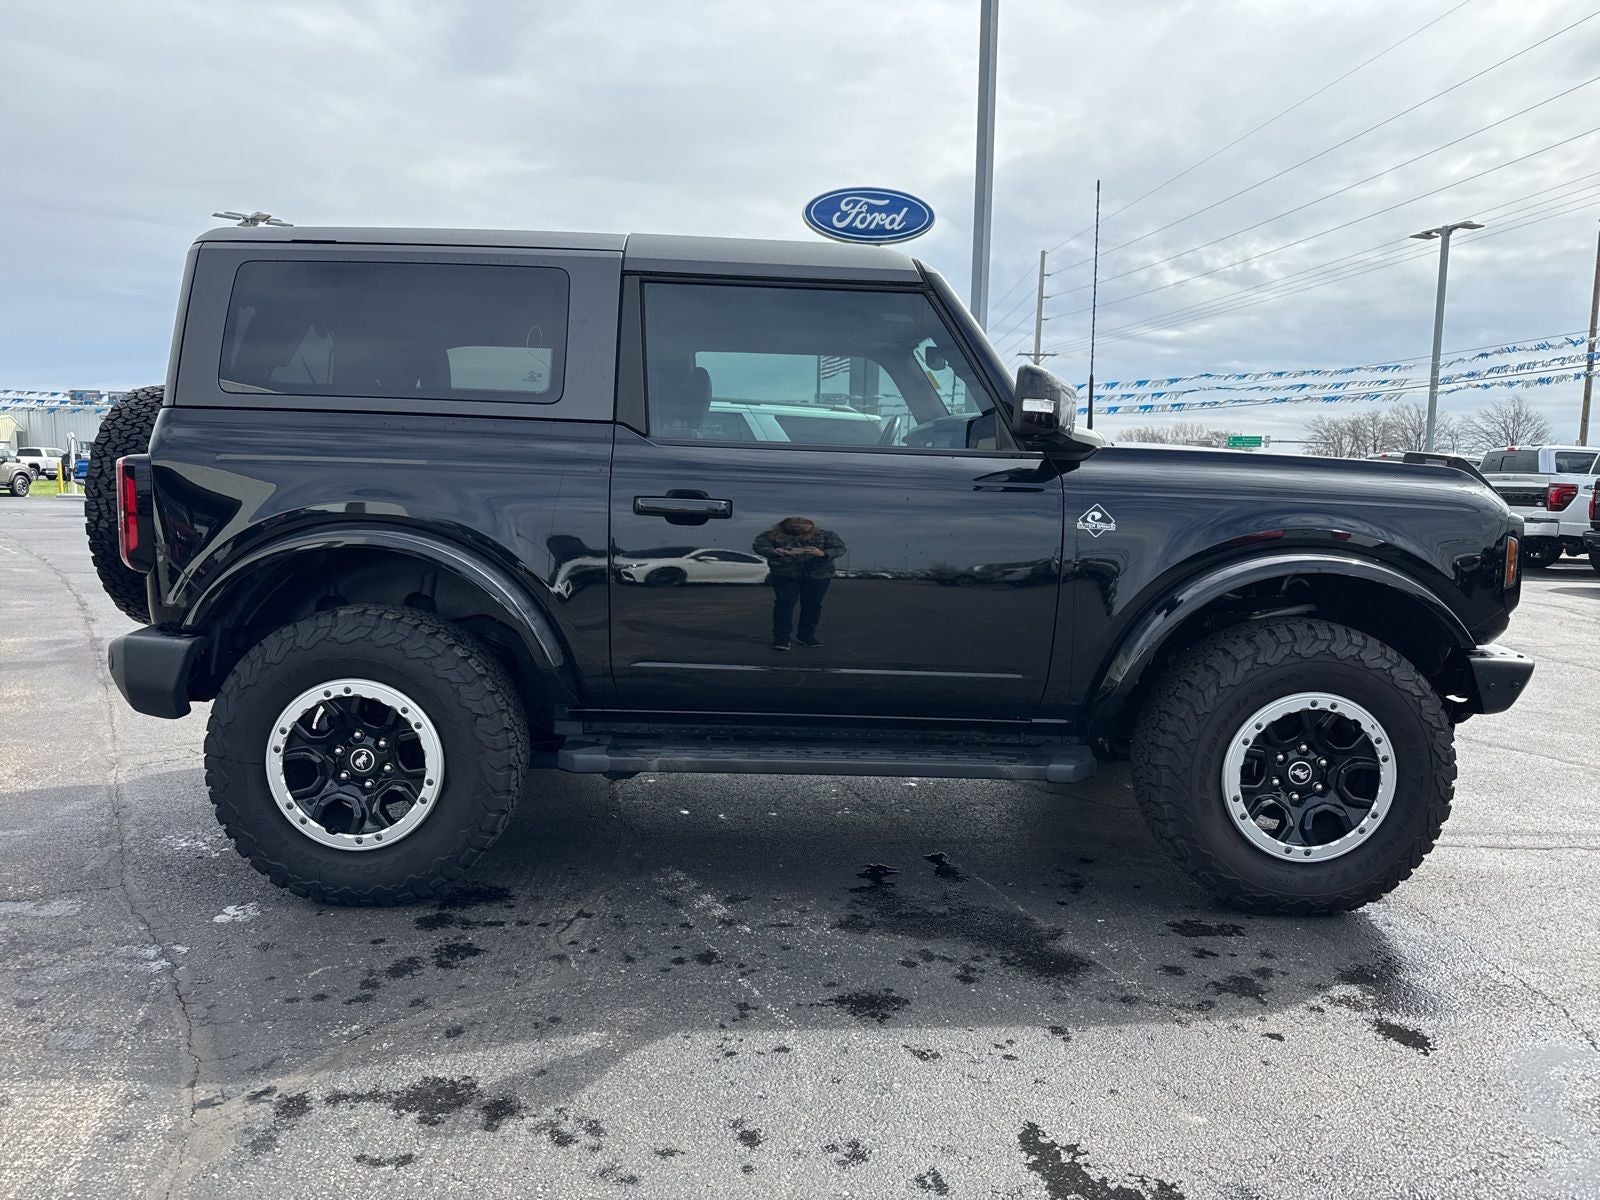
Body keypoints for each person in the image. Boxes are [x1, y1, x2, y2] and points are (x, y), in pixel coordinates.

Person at [752, 517, 846, 650]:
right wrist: (774, 552)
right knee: (784, 604)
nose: (798, 528)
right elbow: (759, 546)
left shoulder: (825, 535)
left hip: (818, 574)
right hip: (785, 574)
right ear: (785, 525)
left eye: (802, 526)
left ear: (811, 526)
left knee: (812, 605)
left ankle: (806, 635)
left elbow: (840, 548)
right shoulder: (772, 535)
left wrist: (823, 553)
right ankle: (781, 638)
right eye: (794, 525)